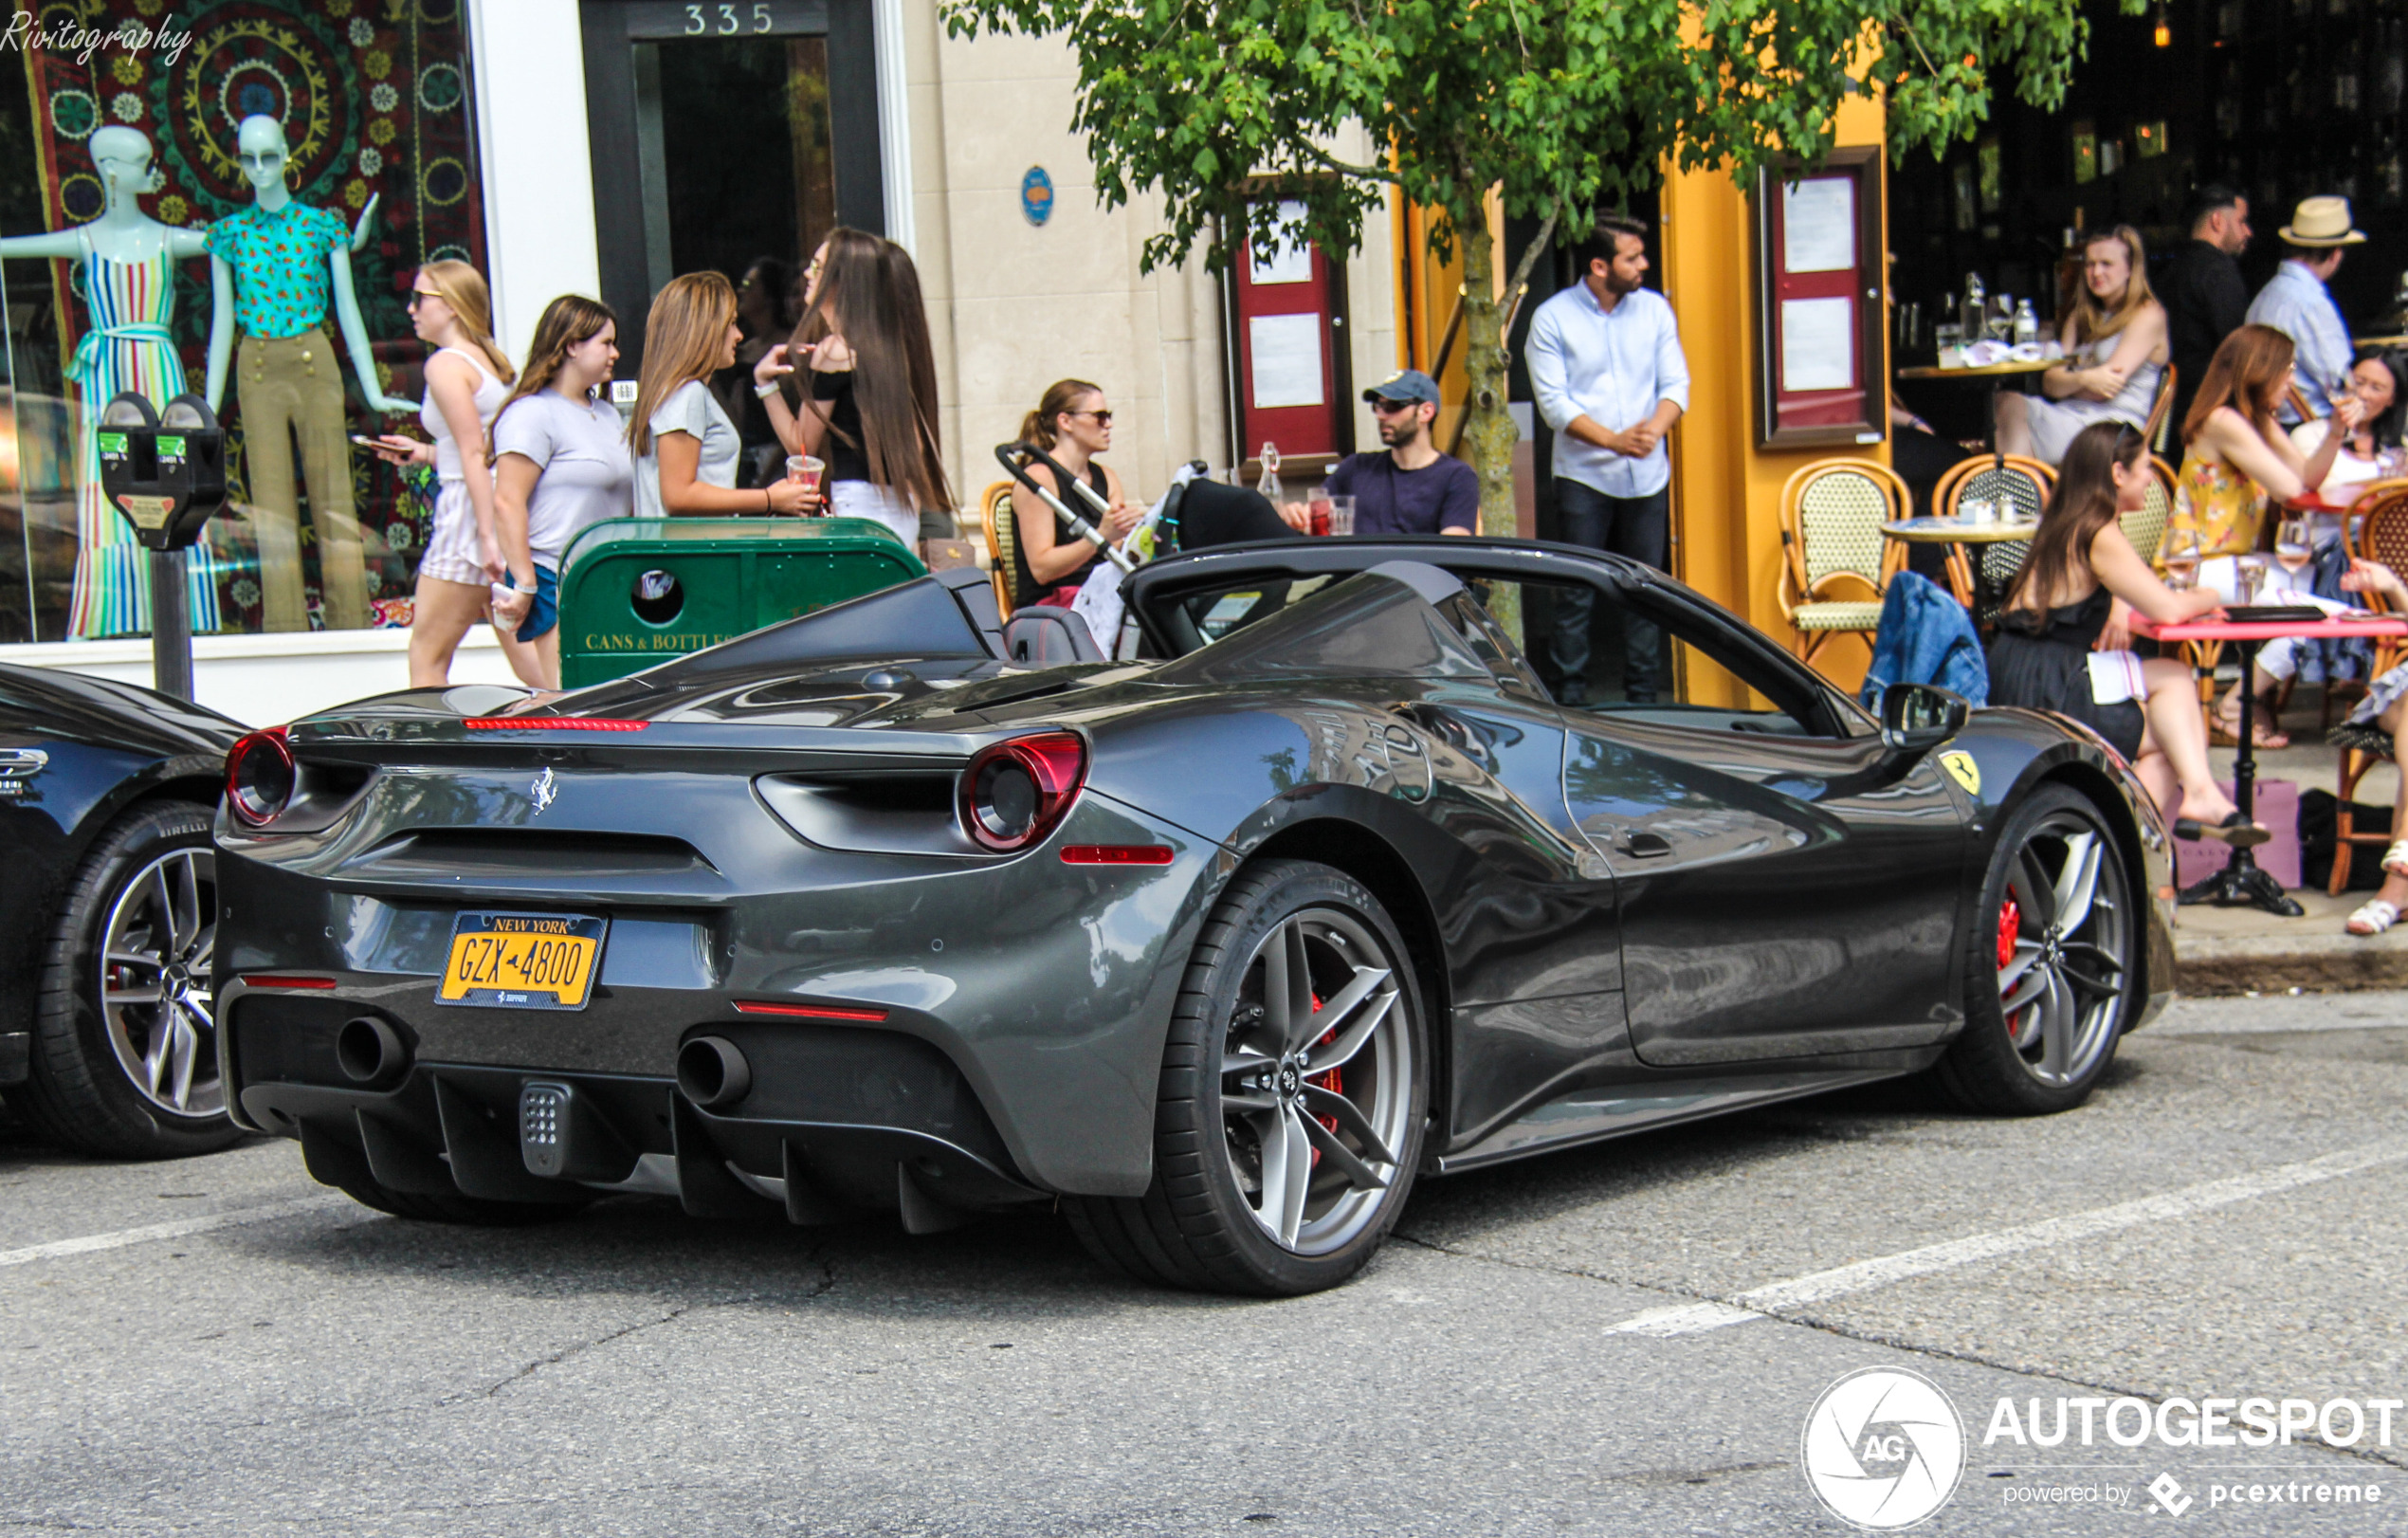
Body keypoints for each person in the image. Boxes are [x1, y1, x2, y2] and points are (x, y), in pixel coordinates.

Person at [1987, 422, 2245, 833]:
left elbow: (2119, 583)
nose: (2151, 479)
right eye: (2145, 467)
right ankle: (2120, 842)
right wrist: (2219, 594)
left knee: (2174, 689)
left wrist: (2119, 605)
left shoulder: (2074, 519)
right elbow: (2169, 610)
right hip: (2048, 684)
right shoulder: (2098, 530)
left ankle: (2191, 801)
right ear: (2117, 473)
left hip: (2025, 667)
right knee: (2169, 737)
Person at [1526, 213, 1690, 705]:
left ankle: (1645, 702)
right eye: (1632, 257)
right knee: (1576, 592)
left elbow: (1676, 384)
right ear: (1600, 265)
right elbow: (1554, 404)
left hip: (1647, 475)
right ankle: (1570, 701)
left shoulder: (1655, 310)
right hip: (1583, 476)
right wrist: (1614, 441)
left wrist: (1651, 432)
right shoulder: (1552, 317)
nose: (1644, 264)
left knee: (1644, 589)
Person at [365, 263, 538, 689]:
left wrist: (484, 539)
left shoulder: (445, 365)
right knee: (534, 666)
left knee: (426, 658)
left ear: (453, 306)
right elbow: (480, 451)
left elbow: (473, 452)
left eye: (421, 298)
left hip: (467, 516)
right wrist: (424, 453)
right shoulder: (489, 361)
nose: (411, 309)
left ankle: (430, 754)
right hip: (496, 507)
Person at [752, 227, 954, 550]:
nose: (807, 273)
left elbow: (801, 447)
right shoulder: (887, 351)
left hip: (859, 507)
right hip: (899, 509)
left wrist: (765, 384)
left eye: (817, 267)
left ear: (839, 282)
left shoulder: (835, 350)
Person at [485, 296, 635, 687]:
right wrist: (525, 584)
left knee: (611, 699)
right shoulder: (532, 413)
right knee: (568, 699)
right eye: (606, 343)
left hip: (606, 578)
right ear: (572, 345)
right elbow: (507, 500)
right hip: (556, 576)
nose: (615, 353)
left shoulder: (604, 413)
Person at [2162, 324, 2363, 562]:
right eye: (2288, 370)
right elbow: (2289, 489)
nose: (2292, 381)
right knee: (2326, 578)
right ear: (2260, 371)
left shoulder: (2259, 419)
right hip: (2199, 562)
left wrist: (2336, 431)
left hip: (2238, 561)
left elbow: (2308, 477)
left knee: (2330, 573)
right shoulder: (2222, 420)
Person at [630, 271, 815, 520]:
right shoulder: (687, 393)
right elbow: (678, 495)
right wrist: (771, 498)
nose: (739, 335)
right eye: (730, 323)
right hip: (691, 553)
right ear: (703, 328)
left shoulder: (678, 391)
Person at [1998, 227, 2167, 466]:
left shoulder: (2147, 314)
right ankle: (2022, 492)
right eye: (2089, 264)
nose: (2096, 272)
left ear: (2131, 268)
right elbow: (2049, 384)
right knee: (2005, 402)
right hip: (2070, 416)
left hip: (2113, 430)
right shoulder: (2081, 317)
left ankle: (2017, 495)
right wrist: (2085, 379)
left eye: (2107, 263)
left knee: (2012, 407)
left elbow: (2105, 388)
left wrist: (2070, 381)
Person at [1278, 370, 1477, 537]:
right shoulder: (1356, 467)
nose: (1380, 415)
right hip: (1354, 580)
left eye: (1392, 406)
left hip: (1417, 582)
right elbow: (1314, 521)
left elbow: (1452, 554)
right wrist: (1291, 515)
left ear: (1426, 412)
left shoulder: (1457, 477)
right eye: (1377, 406)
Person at [1007, 378, 1140, 608]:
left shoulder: (1107, 477)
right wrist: (1101, 536)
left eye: (1109, 416)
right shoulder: (1039, 478)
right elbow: (1042, 569)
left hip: (1102, 595)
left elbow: (1117, 546)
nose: (1108, 424)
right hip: (1054, 606)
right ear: (1065, 421)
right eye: (1099, 416)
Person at [2244, 195, 2365, 421]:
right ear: (2336, 254)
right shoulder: (2311, 303)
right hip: (2310, 429)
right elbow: (2340, 382)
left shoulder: (2265, 296)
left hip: (2266, 424)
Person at [2161, 186, 2253, 450]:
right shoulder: (2218, 272)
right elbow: (2237, 347)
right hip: (2211, 413)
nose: (2248, 232)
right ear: (2217, 221)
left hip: (2175, 412)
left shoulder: (2170, 270)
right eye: (2242, 221)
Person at [714, 256, 794, 488]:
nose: (741, 290)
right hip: (740, 459)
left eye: (749, 285)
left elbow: (795, 414)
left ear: (770, 294)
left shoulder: (787, 349)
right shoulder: (740, 351)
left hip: (776, 464)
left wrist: (766, 479)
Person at [2289, 350, 2406, 500]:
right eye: (2358, 382)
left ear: (2392, 399)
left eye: (2376, 388)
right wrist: (2388, 483)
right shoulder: (2309, 435)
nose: (2363, 394)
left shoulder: (2399, 450)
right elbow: (2321, 492)